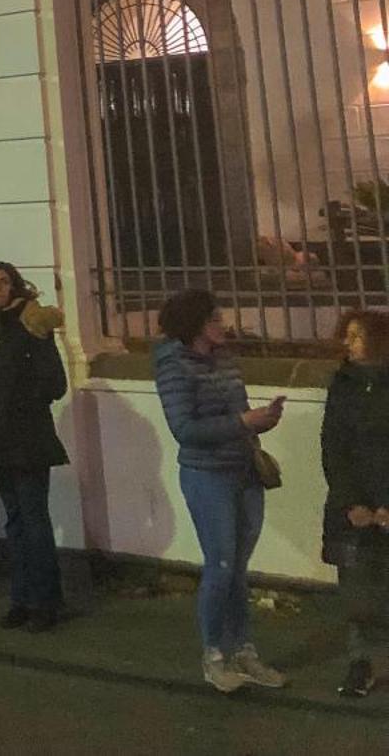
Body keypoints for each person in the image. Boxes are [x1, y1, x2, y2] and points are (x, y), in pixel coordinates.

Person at [154, 288, 287, 694]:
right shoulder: (174, 366)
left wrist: (262, 421)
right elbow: (186, 431)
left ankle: (243, 650)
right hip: (207, 475)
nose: (223, 325)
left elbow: (237, 411)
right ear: (195, 326)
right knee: (221, 564)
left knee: (238, 568)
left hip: (243, 469)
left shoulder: (227, 359)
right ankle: (214, 654)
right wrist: (244, 422)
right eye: (214, 319)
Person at [0, 261, 69, 632]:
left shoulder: (31, 324)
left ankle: (45, 602)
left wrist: (20, 402)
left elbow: (55, 383)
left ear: (15, 287)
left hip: (27, 438)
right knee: (15, 521)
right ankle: (22, 599)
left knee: (34, 519)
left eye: (3, 281)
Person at [325, 309, 389, 698]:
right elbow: (334, 446)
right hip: (355, 505)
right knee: (359, 588)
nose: (347, 343)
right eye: (346, 335)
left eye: (356, 336)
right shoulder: (343, 384)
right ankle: (360, 663)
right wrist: (351, 503)